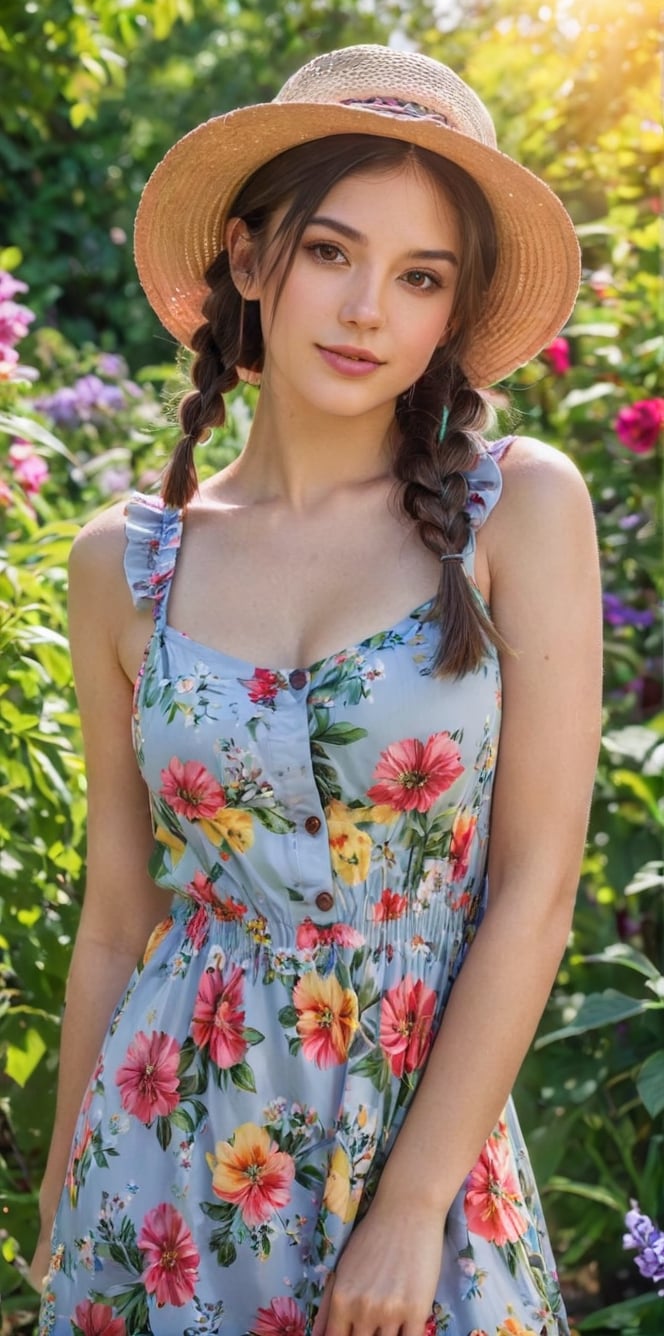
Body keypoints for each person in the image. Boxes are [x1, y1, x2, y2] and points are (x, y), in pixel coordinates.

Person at [31, 43, 602, 1336]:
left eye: (420, 278)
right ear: (247, 257)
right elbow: (119, 917)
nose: (365, 312)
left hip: (422, 1160)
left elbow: (540, 890)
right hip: (164, 1165)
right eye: (332, 252)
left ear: (453, 313)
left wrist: (409, 1208)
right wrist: (67, 1188)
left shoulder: (518, 510)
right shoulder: (127, 566)